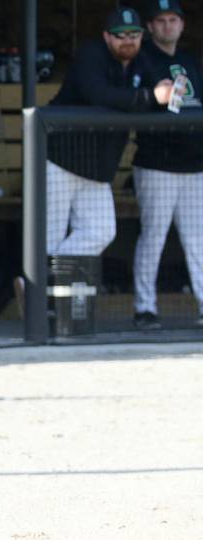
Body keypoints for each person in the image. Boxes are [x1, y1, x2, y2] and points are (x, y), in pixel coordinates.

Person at [46, 7, 174, 258]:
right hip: (59, 160)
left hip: (97, 166)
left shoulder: (141, 59)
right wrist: (150, 96)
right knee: (49, 236)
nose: (128, 40)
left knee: (101, 231)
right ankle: (39, 292)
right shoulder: (91, 55)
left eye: (134, 35)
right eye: (120, 35)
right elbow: (99, 95)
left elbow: (160, 88)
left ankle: (45, 281)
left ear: (142, 36)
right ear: (107, 37)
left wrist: (165, 89)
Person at [131, 0, 203, 331]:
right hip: (156, 165)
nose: (168, 26)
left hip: (195, 166)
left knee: (198, 239)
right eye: (160, 20)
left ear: (182, 25)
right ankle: (145, 308)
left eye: (173, 19)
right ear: (150, 26)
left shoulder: (190, 61)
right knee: (154, 237)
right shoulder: (141, 59)